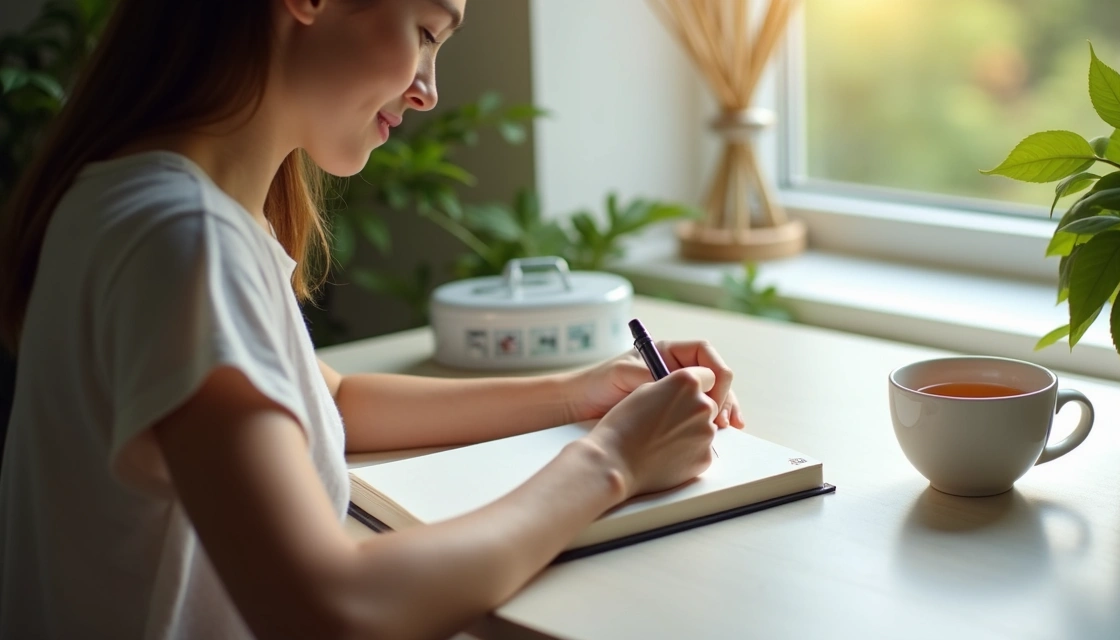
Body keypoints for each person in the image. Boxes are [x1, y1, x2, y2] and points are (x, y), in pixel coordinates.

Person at [0, 1, 745, 637]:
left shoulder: (149, 204)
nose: (429, 91)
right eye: (425, 32)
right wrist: (611, 463)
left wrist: (579, 395)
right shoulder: (181, 236)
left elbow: (332, 403)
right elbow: (331, 609)